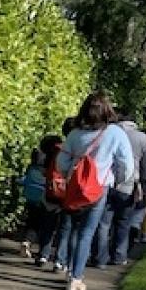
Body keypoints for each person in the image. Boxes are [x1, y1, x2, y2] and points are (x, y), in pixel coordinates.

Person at [55, 92, 134, 290]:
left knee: (74, 228)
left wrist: (69, 175)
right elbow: (126, 164)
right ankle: (76, 277)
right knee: (87, 232)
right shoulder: (115, 133)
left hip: (75, 188)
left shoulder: (75, 134)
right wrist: (118, 179)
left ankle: (69, 269)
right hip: (99, 187)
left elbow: (61, 162)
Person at [93, 114, 146, 268]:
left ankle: (99, 257)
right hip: (129, 185)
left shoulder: (106, 133)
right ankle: (119, 256)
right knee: (123, 222)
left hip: (105, 182)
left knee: (103, 222)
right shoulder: (142, 138)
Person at [22, 135, 64, 267]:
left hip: (36, 196)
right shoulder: (58, 157)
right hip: (54, 195)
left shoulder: (36, 158)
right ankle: (57, 258)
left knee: (36, 222)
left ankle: (37, 250)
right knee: (54, 226)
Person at [50, 117, 78, 273]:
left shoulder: (59, 149)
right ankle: (68, 262)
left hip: (61, 190)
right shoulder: (81, 146)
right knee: (74, 228)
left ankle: (59, 260)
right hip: (75, 191)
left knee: (64, 227)